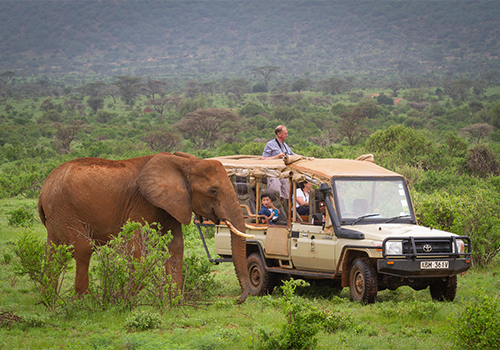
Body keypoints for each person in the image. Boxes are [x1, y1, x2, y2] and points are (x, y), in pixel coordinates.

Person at [262, 125, 294, 202]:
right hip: (273, 173)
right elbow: (263, 159)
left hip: (283, 173)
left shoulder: (285, 146)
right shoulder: (270, 144)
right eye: (285, 133)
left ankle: (278, 208)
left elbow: (293, 155)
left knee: (285, 194)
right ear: (279, 134)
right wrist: (277, 156)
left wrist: (305, 158)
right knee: (275, 195)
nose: (287, 135)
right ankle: (274, 211)